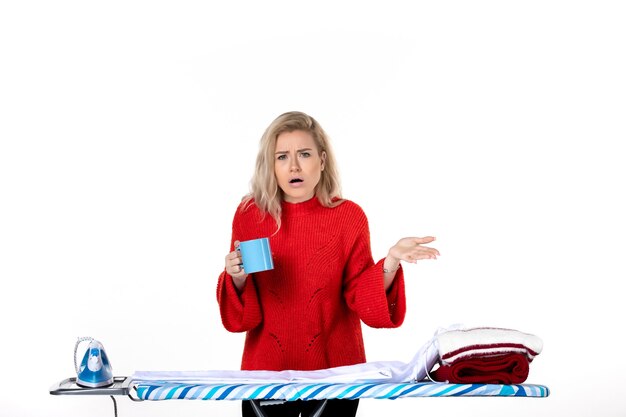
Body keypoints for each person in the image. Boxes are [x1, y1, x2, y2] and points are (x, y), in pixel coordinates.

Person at [217, 111, 439, 417]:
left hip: (337, 378)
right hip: (264, 377)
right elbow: (241, 319)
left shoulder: (349, 217)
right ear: (271, 165)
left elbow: (360, 296)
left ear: (322, 160)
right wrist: (236, 278)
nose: (294, 166)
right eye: (282, 157)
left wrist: (390, 262)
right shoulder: (250, 215)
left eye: (304, 154)